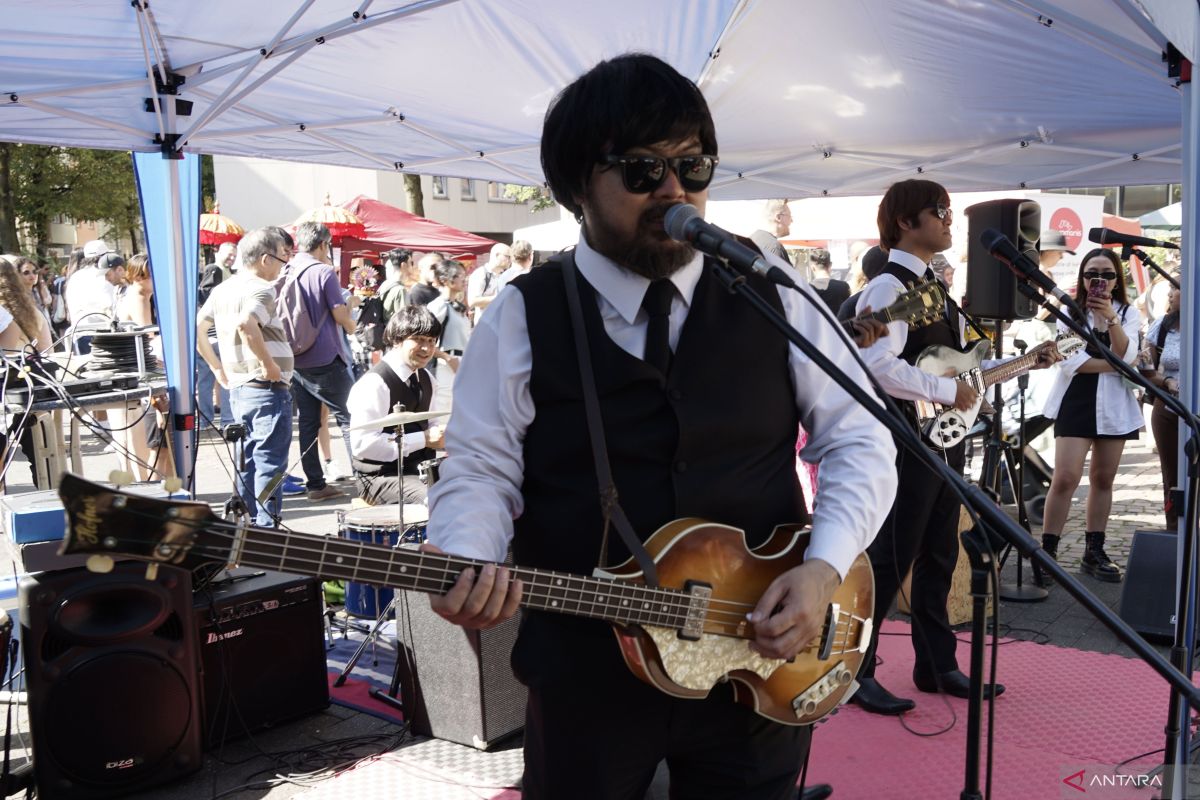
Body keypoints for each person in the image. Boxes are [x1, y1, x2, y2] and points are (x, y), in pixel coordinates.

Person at [423, 53, 896, 800]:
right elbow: (480, 469)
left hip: (760, 656)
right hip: (588, 671)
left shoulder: (772, 291)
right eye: (643, 169)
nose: (675, 190)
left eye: (694, 166)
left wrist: (823, 567)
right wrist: (467, 558)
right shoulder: (523, 313)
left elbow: (859, 438)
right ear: (580, 183)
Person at [852, 179, 1052, 715]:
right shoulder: (888, 289)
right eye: (939, 211)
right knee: (891, 557)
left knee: (939, 554)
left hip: (938, 443)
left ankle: (935, 663)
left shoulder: (932, 289)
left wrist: (1027, 361)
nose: (948, 220)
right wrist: (946, 390)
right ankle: (853, 671)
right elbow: (875, 365)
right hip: (905, 443)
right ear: (904, 222)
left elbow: (960, 368)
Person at [1038, 247, 1142, 584]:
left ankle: (1093, 550)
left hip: (1114, 405)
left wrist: (1111, 319)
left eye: (1107, 274)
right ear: (1082, 278)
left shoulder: (1127, 312)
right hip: (1076, 400)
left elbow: (1129, 352)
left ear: (1117, 279)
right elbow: (1074, 363)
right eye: (1092, 273)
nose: (1099, 280)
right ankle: (1047, 550)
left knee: (1103, 479)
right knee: (1065, 477)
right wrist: (1117, 364)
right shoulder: (1071, 313)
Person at [196, 227, 295, 527]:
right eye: (282, 259)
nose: (282, 267)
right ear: (265, 259)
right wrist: (269, 366)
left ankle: (248, 528)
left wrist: (217, 369)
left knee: (247, 461)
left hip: (240, 387)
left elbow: (198, 328)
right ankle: (267, 531)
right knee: (269, 463)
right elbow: (246, 323)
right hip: (265, 386)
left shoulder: (223, 288)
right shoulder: (261, 288)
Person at [279, 221, 356, 502]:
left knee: (309, 423)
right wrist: (352, 312)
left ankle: (315, 485)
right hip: (325, 355)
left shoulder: (285, 269)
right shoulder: (323, 272)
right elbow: (340, 317)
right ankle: (368, 481)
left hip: (295, 358)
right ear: (324, 244)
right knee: (350, 418)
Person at [348, 305, 445, 506]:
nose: (426, 348)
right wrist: (424, 439)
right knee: (440, 499)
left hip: (419, 470)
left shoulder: (426, 377)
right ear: (398, 340)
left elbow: (431, 421)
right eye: (418, 340)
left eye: (431, 341)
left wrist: (442, 435)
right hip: (380, 477)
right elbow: (363, 445)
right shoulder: (375, 383)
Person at [1144, 280, 1182, 530]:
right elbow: (1145, 370)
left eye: (1175, 287)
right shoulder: (1160, 326)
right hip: (1167, 408)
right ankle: (1175, 530)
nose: (1169, 293)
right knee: (1172, 474)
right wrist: (1166, 381)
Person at [466, 243, 511, 316]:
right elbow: (472, 301)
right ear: (497, 255)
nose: (510, 260)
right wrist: (499, 297)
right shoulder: (480, 273)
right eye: (508, 256)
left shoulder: (504, 275)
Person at [750, 199, 792, 264]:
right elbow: (781, 274)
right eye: (789, 216)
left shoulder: (752, 239)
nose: (791, 220)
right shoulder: (775, 247)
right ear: (778, 217)